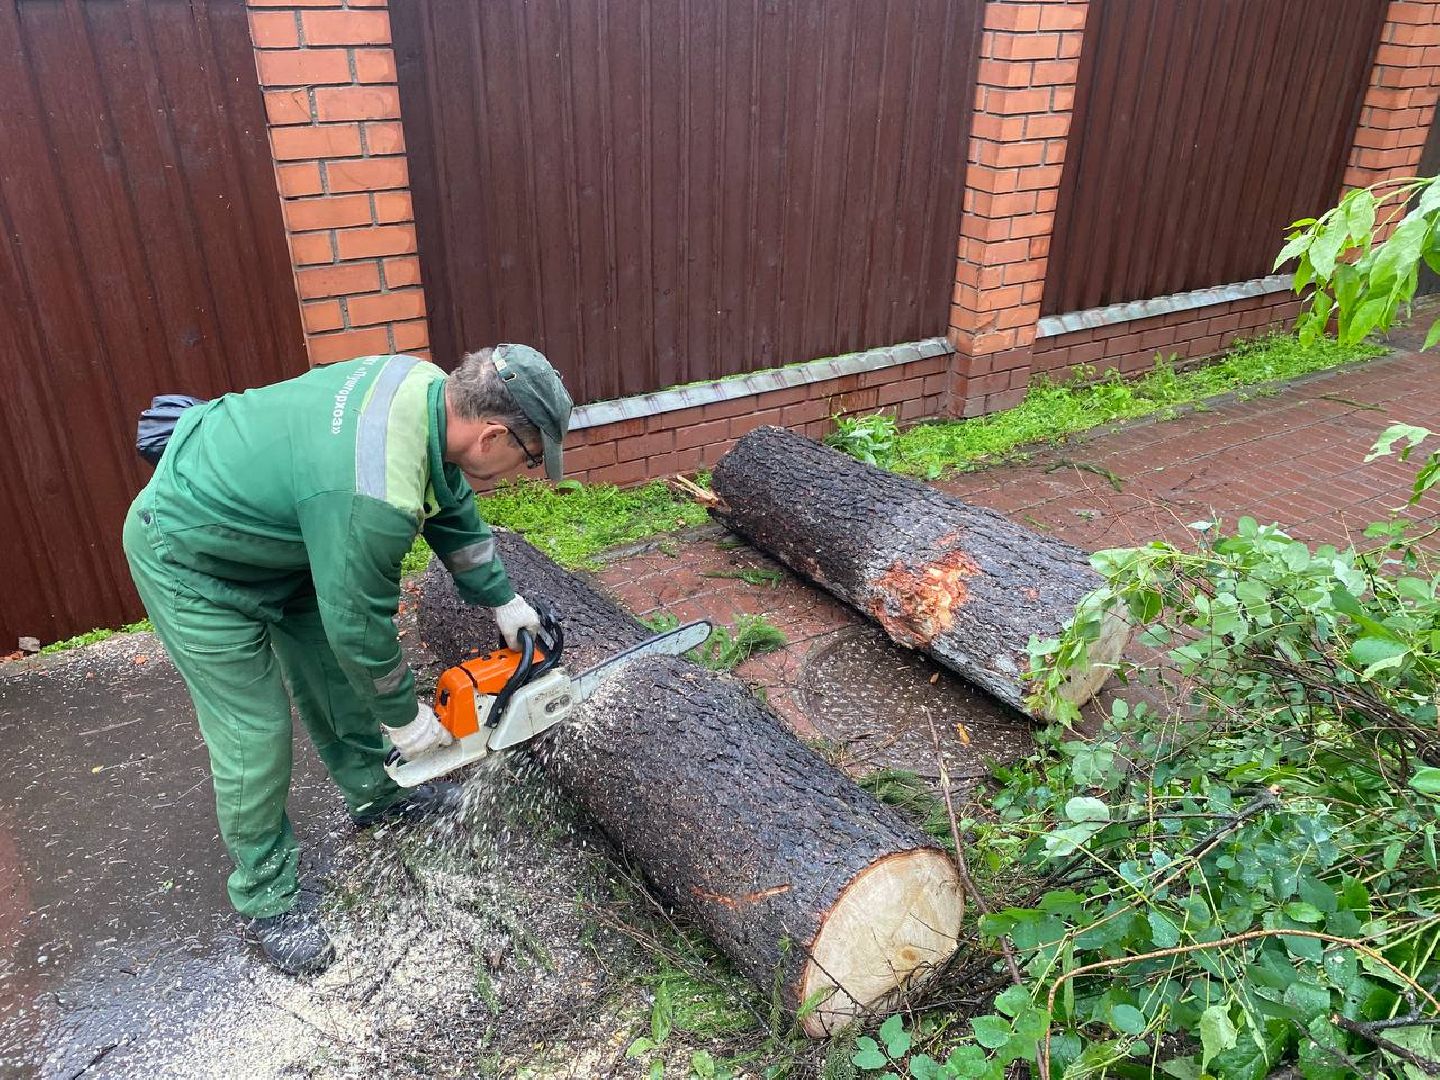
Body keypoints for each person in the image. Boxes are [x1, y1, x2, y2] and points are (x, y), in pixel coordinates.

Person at [122, 344, 572, 975]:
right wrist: (406, 719)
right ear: (493, 434)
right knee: (255, 734)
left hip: (292, 540)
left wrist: (503, 600)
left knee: (334, 681)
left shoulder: (428, 393)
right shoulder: (374, 494)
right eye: (526, 458)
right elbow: (358, 626)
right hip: (194, 559)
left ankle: (376, 795)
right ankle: (265, 899)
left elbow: (451, 506)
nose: (521, 471)